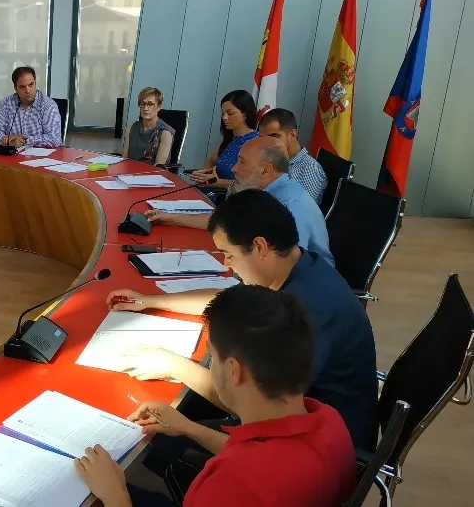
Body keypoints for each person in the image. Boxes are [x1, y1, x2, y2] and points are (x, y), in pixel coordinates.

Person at [107, 189, 377, 472]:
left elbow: (254, 406)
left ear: (259, 246)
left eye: (228, 254)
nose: (226, 264)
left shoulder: (306, 310)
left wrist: (172, 365)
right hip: (306, 418)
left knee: (163, 442)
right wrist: (149, 301)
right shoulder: (297, 263)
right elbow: (230, 299)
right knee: (187, 404)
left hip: (321, 451)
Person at [75, 285, 357, 507]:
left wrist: (115, 496)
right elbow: (267, 458)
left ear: (234, 371)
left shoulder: (229, 485)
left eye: (212, 357)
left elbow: (249, 475)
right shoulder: (328, 420)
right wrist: (190, 428)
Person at [148, 136, 334, 266]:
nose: (234, 169)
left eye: (242, 162)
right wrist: (171, 217)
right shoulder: (261, 190)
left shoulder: (291, 205)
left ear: (266, 170)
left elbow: (289, 265)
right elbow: (225, 220)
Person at [188, 90, 258, 193]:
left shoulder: (256, 141)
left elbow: (251, 185)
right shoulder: (230, 138)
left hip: (229, 197)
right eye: (223, 113)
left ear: (245, 113)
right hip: (209, 192)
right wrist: (202, 175)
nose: (224, 117)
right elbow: (211, 160)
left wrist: (217, 182)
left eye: (230, 113)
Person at [258, 108, 327, 204]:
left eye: (273, 137)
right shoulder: (271, 158)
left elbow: (304, 209)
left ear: (292, 135)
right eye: (263, 139)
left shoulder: (309, 169)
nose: (267, 143)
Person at [0, 66, 63, 148]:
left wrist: (22, 140)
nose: (28, 90)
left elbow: (54, 139)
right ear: (15, 88)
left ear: (35, 83)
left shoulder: (48, 105)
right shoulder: (5, 104)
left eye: (31, 85)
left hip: (43, 154)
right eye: (22, 87)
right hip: (14, 153)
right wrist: (10, 141)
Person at [123, 87, 175, 166]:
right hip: (129, 171)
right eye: (142, 104)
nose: (145, 108)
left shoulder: (165, 133)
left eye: (150, 104)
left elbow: (158, 167)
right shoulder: (131, 128)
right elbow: (124, 160)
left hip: (151, 172)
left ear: (159, 107)